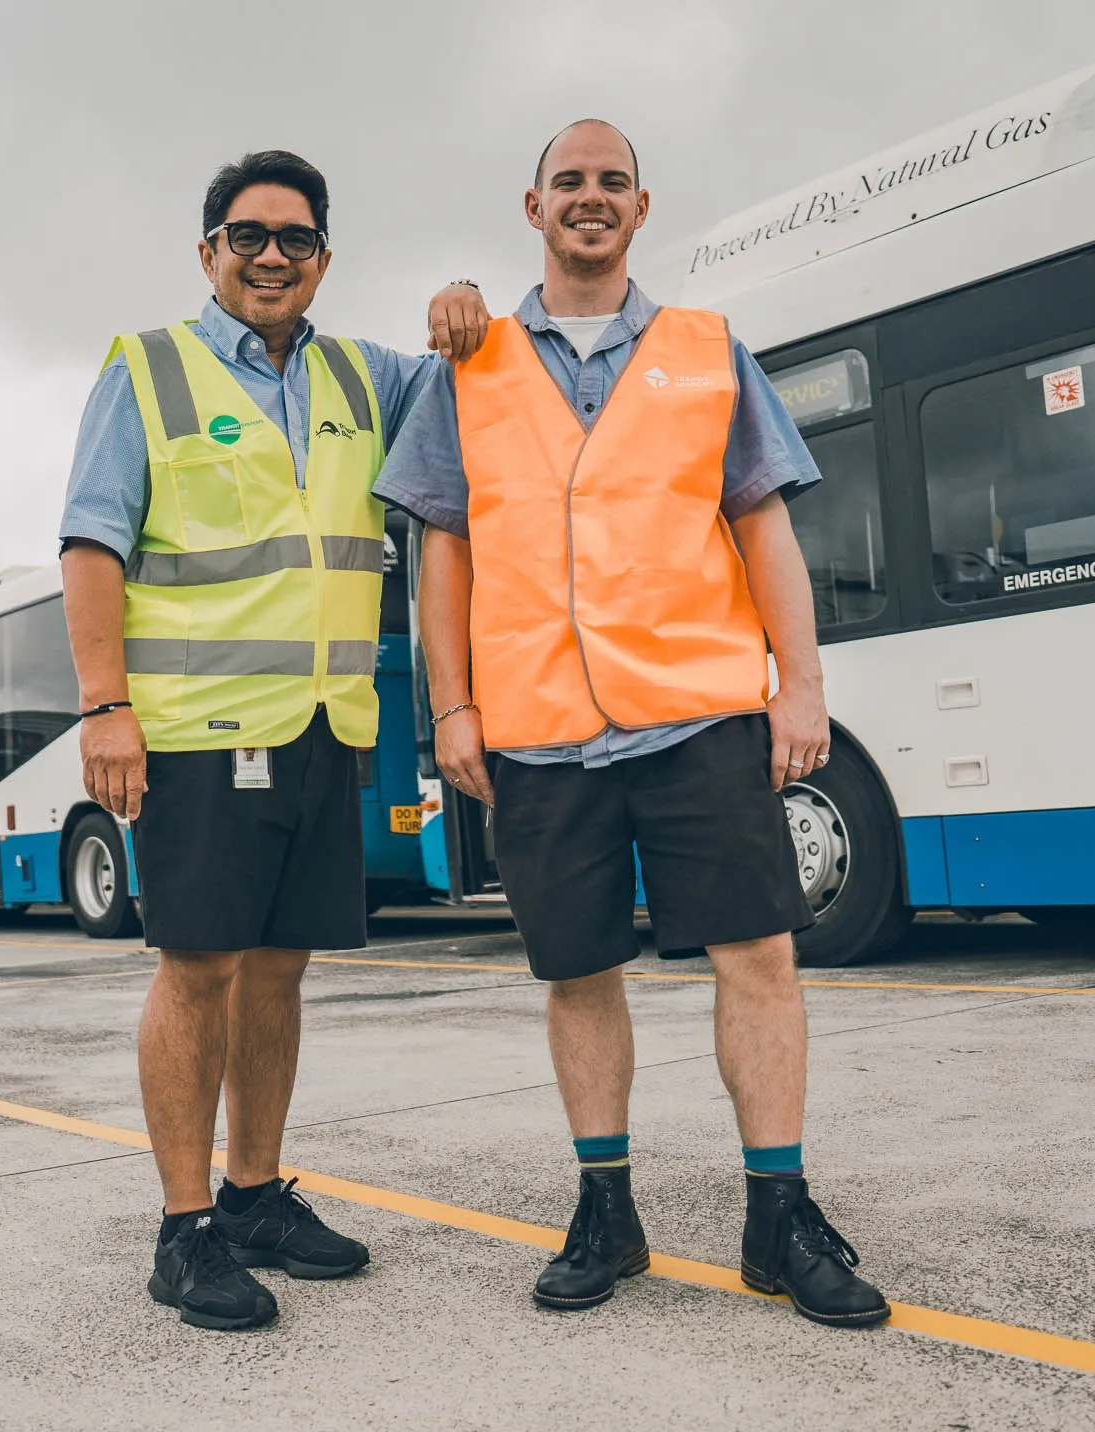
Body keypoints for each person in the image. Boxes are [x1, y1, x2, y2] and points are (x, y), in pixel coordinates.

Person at [373, 120, 889, 1328]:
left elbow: (765, 527)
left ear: (641, 209)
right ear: (532, 206)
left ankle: (779, 1215)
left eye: (611, 183)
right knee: (575, 970)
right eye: (570, 182)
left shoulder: (710, 350)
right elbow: (437, 550)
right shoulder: (471, 357)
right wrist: (450, 702)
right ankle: (606, 1209)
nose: (590, 198)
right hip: (540, 725)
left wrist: (798, 685)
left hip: (699, 711)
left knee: (758, 955)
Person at [59, 149, 490, 1331]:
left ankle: (253, 1194)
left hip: (323, 722)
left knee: (283, 965)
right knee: (196, 966)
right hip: (197, 731)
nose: (269, 256)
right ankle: (183, 1225)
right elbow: (91, 543)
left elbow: (482, 378)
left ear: (323, 260)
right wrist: (105, 708)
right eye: (246, 235)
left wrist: (464, 303)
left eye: (294, 239)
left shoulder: (365, 375)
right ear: (209, 252)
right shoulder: (147, 370)